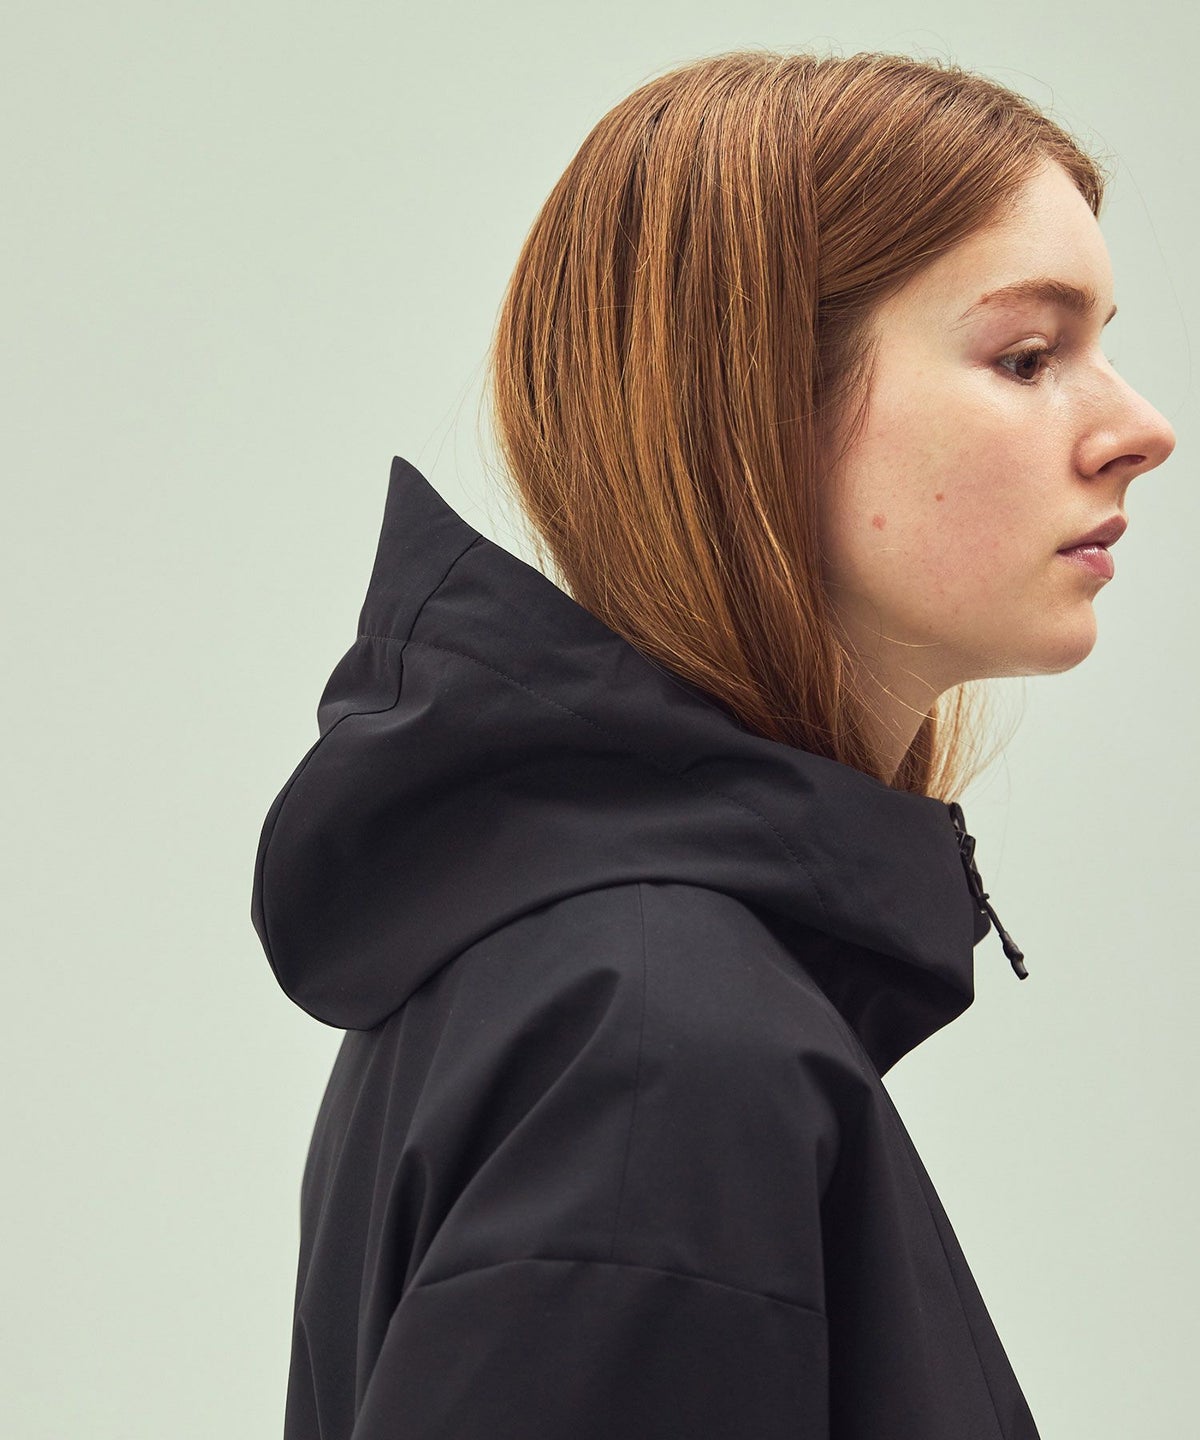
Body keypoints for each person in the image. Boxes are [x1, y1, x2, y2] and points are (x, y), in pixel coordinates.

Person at [250, 48, 1176, 1440]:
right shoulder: (655, 1054)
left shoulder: (606, 991)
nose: (1141, 430)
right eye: (1028, 356)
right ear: (752, 405)